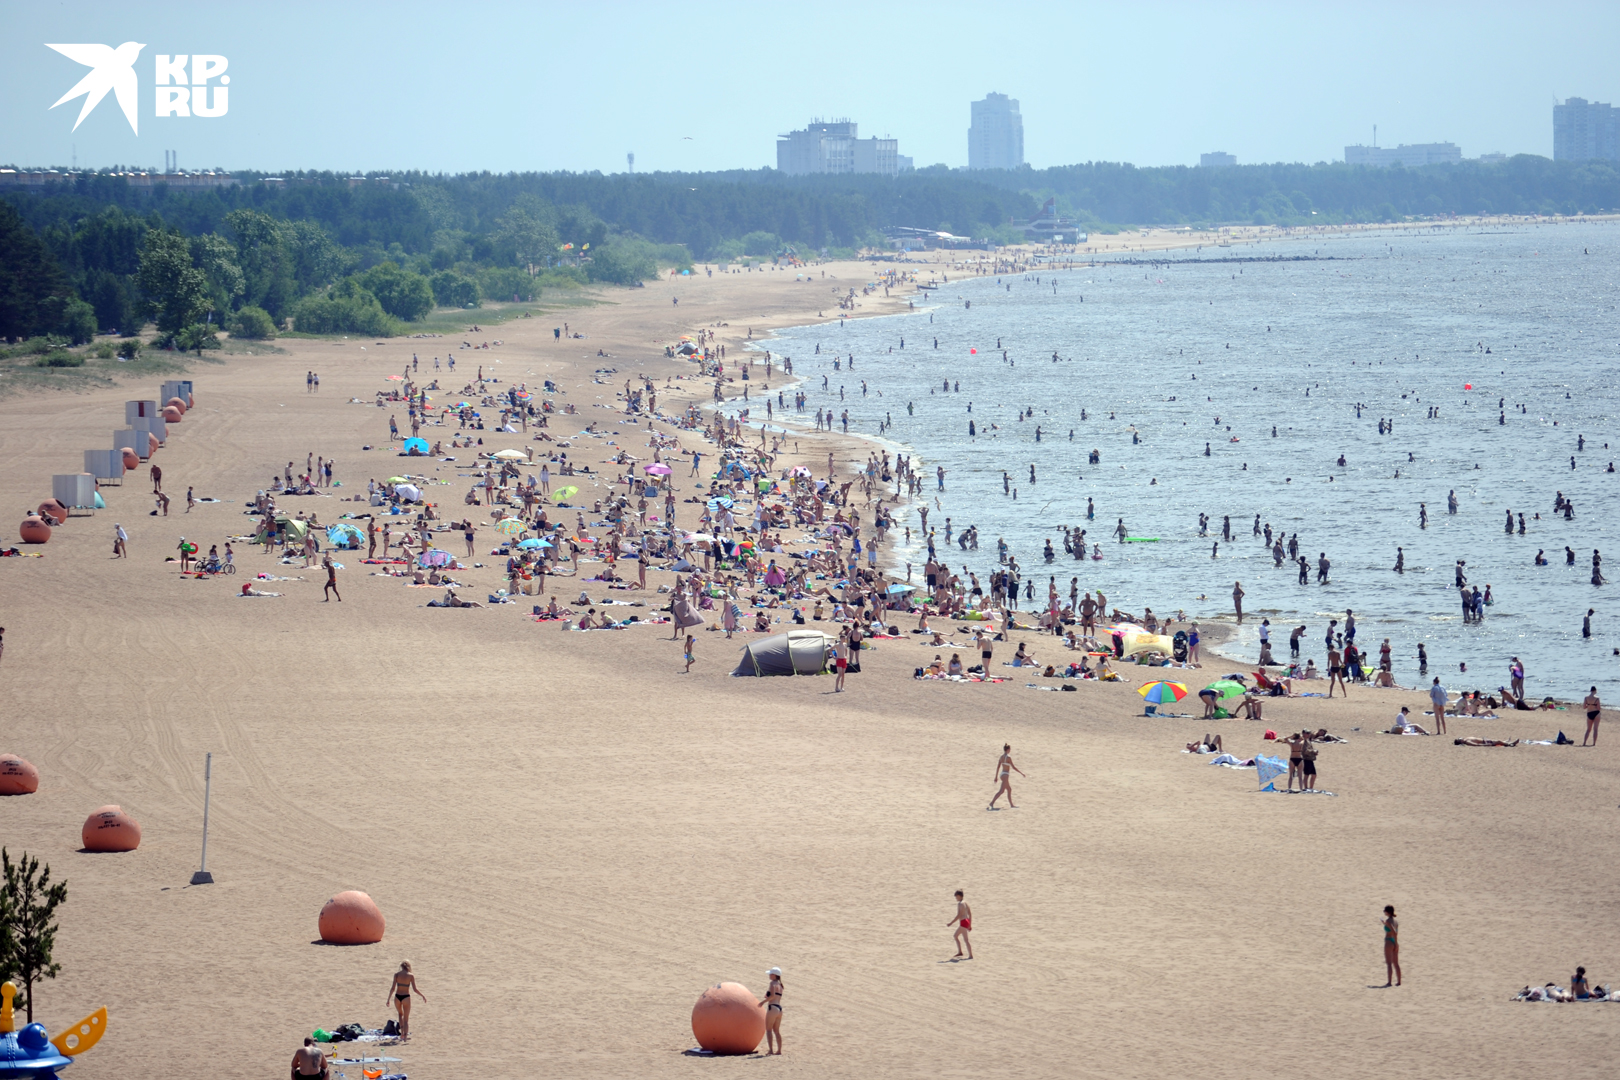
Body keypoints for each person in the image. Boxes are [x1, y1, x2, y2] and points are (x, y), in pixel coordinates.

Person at [387, 961, 425, 1040]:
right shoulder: (411, 976)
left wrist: (388, 999)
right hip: (406, 997)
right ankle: (405, 1037)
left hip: (397, 997)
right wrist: (422, 995)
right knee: (406, 1019)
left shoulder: (396, 975)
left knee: (400, 1014)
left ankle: (402, 1034)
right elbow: (415, 989)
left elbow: (393, 988)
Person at [989, 743, 1024, 809]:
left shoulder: (1001, 757)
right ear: (1007, 749)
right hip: (1005, 775)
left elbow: (998, 767)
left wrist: (996, 777)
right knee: (1001, 791)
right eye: (1010, 749)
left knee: (1009, 789)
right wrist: (1021, 773)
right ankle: (991, 803)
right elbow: (1013, 767)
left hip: (1002, 774)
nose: (1010, 750)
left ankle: (1012, 805)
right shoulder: (1008, 757)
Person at [759, 968, 784, 1054]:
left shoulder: (772, 983)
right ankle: (779, 1050)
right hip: (779, 1008)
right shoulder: (780, 985)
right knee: (776, 1031)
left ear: (774, 975)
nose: (769, 975)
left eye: (770, 974)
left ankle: (771, 1050)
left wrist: (763, 1002)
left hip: (772, 1007)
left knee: (769, 1030)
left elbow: (772, 996)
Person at [949, 890, 973, 959]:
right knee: (956, 936)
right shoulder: (965, 902)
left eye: (956, 896)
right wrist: (970, 924)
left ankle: (970, 955)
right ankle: (960, 952)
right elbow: (970, 913)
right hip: (966, 921)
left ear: (959, 896)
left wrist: (951, 923)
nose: (956, 898)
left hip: (963, 922)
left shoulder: (960, 904)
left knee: (964, 939)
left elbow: (959, 915)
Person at [1382, 906, 1401, 987]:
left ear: (1388, 912)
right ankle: (1399, 981)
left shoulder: (1388, 921)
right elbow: (1393, 930)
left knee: (1389, 963)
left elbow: (1393, 932)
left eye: (1385, 911)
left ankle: (1389, 982)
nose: (1384, 912)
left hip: (1389, 941)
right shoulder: (1395, 921)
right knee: (1396, 963)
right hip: (1394, 941)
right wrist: (1396, 944)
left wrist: (1395, 944)